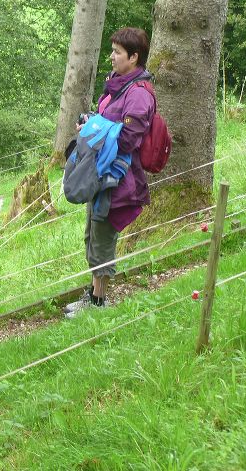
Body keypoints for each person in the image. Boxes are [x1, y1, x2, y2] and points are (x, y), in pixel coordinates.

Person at [66, 27, 155, 318]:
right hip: (99, 172)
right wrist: (91, 123)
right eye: (113, 51)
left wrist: (96, 129)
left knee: (103, 237)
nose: (112, 57)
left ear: (134, 57)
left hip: (118, 178)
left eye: (117, 52)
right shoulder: (117, 85)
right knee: (92, 234)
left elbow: (128, 138)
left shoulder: (139, 94)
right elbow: (109, 122)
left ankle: (98, 302)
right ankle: (93, 295)